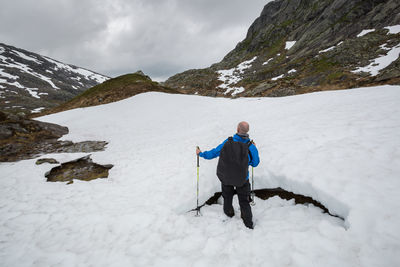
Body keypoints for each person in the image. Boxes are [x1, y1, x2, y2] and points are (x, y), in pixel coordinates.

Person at [196, 121, 260, 229]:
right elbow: (255, 163)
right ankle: (248, 223)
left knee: (227, 197)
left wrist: (201, 153)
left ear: (238, 129)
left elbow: (214, 153)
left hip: (226, 177)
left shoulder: (228, 141)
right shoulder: (250, 147)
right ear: (247, 132)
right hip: (242, 178)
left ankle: (229, 213)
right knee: (244, 201)